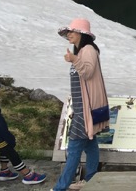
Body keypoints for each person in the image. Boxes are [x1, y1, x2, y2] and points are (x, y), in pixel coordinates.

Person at [51, 18, 109, 191]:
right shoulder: (82, 51)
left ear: (82, 34)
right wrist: (75, 58)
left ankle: (61, 187)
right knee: (90, 144)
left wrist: (74, 59)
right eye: (68, 32)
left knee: (75, 147)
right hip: (83, 108)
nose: (68, 35)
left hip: (87, 109)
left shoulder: (88, 50)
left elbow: (88, 72)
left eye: (72, 32)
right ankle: (91, 181)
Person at [0, 77, 47, 185]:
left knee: (5, 149)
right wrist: (9, 138)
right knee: (11, 152)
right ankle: (27, 175)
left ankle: (4, 171)